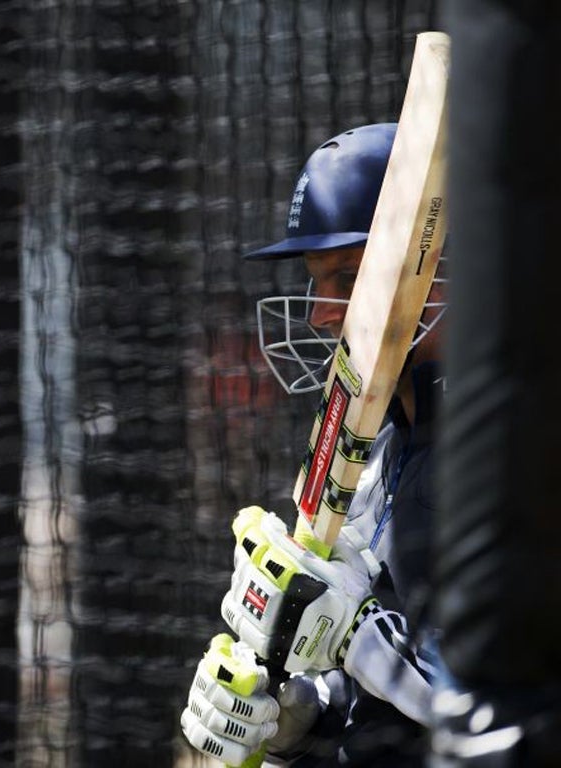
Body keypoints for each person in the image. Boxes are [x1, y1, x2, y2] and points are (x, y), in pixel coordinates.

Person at [180, 123, 447, 766]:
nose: (320, 313)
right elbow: (385, 702)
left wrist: (357, 637)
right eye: (316, 280)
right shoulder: (382, 450)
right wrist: (303, 717)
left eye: (349, 276)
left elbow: (520, 707)